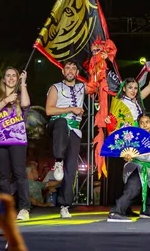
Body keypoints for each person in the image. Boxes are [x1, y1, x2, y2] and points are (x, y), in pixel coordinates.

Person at [0, 66, 31, 220]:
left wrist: (24, 83)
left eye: (14, 76)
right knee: (4, 176)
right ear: (4, 79)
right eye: (8, 75)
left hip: (17, 140)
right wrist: (6, 100)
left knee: (20, 174)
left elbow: (26, 104)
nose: (11, 78)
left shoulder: (20, 95)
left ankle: (25, 208)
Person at [107, 112, 150, 222]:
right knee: (133, 189)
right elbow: (125, 149)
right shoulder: (134, 136)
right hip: (135, 166)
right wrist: (126, 155)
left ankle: (148, 211)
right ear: (138, 124)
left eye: (147, 122)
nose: (144, 125)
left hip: (147, 169)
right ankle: (116, 212)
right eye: (141, 123)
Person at [45, 61, 85, 218]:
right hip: (57, 125)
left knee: (72, 168)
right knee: (62, 122)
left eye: (74, 68)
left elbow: (98, 86)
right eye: (67, 68)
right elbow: (49, 110)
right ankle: (58, 160)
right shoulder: (56, 87)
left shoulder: (82, 87)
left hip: (74, 129)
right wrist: (71, 109)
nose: (70, 70)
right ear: (63, 71)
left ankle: (64, 205)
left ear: (76, 72)